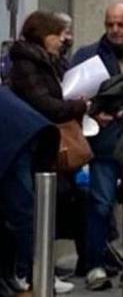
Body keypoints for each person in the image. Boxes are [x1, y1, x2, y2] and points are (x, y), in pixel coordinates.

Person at [69, 4, 123, 291]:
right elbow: (71, 96)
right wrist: (90, 114)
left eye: (120, 25)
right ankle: (95, 265)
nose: (115, 30)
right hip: (102, 143)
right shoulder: (87, 55)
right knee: (100, 205)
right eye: (110, 24)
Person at [5, 11, 82, 295]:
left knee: (40, 206)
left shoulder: (49, 62)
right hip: (25, 142)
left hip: (37, 141)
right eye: (58, 34)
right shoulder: (27, 64)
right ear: (42, 35)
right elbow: (44, 103)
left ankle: (39, 270)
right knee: (26, 209)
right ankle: (28, 272)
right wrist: (76, 106)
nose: (64, 40)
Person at [0, 87, 58, 297]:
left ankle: (32, 278)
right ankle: (26, 278)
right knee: (22, 213)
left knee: (22, 213)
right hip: (22, 132)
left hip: (14, 137)